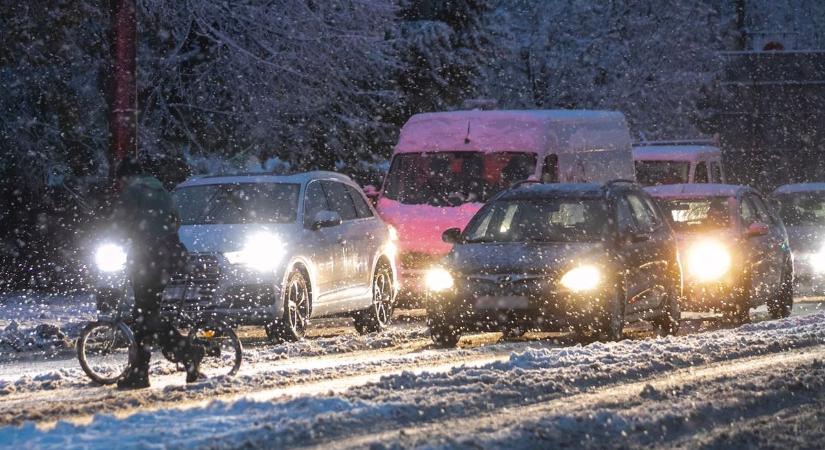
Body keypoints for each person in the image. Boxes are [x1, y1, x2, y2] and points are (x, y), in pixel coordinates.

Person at [111, 155, 203, 389]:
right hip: (165, 258)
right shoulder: (161, 190)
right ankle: (148, 368)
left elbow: (120, 224)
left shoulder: (132, 192)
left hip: (146, 258)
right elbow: (176, 221)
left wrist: (122, 238)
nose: (119, 185)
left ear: (126, 177)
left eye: (120, 180)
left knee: (145, 315)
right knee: (146, 314)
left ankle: (182, 353)